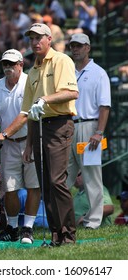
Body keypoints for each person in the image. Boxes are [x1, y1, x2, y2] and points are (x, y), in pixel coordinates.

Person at [21, 23, 79, 246]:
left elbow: (72, 92)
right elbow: (29, 113)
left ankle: (68, 234)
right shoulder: (32, 72)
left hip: (59, 125)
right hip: (39, 128)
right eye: (31, 39)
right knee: (45, 184)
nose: (34, 42)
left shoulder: (62, 60)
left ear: (49, 40)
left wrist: (45, 99)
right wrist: (28, 146)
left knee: (56, 180)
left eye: (38, 38)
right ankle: (56, 235)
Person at [0, 49, 41, 244]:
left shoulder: (30, 83)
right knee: (9, 187)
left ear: (21, 64)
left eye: (11, 64)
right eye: (5, 64)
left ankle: (28, 227)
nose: (8, 68)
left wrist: (3, 134)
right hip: (8, 144)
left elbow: (26, 116)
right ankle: (12, 228)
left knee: (33, 185)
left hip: (31, 140)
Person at [67, 33, 111, 229]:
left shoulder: (99, 72)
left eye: (79, 46)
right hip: (68, 126)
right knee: (63, 175)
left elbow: (105, 106)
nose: (75, 49)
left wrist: (99, 132)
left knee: (92, 176)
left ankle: (93, 222)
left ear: (88, 48)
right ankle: (62, 219)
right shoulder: (67, 72)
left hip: (90, 127)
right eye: (73, 46)